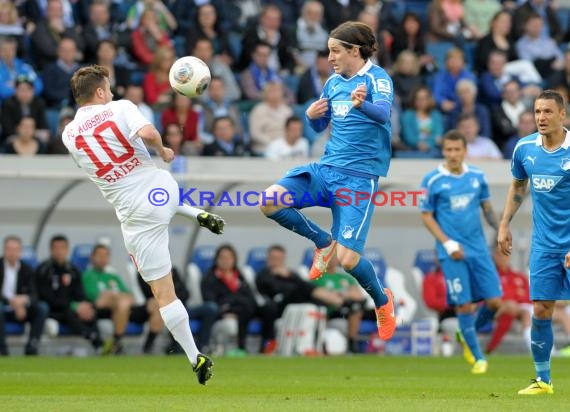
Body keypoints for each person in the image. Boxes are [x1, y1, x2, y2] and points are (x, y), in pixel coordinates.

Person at [61, 65, 225, 385]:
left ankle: (195, 357)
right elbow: (149, 134)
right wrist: (163, 151)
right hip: (160, 189)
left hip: (133, 215)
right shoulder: (120, 107)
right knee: (162, 199)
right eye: (108, 88)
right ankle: (195, 213)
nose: (111, 93)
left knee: (163, 294)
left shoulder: (68, 134)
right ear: (99, 92)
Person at [258, 21, 397, 342]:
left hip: (359, 179)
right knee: (268, 201)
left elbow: (384, 115)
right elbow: (322, 127)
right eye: (329, 50)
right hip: (326, 169)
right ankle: (322, 241)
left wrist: (365, 105)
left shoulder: (378, 79)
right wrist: (312, 116)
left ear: (354, 51)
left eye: (336, 50)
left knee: (348, 261)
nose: (330, 57)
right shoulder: (333, 83)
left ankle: (381, 300)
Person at [497, 89, 570, 395]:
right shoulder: (524, 148)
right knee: (541, 308)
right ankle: (543, 380)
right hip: (544, 245)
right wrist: (504, 223)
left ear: (562, 115)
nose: (541, 118)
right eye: (538, 112)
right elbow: (518, 185)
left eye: (548, 112)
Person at [420, 130, 502, 374]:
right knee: (464, 305)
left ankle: (466, 332)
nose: (453, 154)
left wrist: (500, 231)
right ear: (443, 151)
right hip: (451, 252)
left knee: (495, 302)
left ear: (465, 151)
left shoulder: (477, 176)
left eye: (457, 150)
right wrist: (447, 243)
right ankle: (478, 358)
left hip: (478, 249)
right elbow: (426, 216)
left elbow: (487, 207)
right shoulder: (432, 180)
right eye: (449, 150)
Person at [36, 235, 103, 352]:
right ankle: (91, 337)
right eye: (56, 248)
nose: (59, 252)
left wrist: (82, 306)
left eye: (62, 248)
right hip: (53, 310)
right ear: (51, 250)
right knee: (68, 312)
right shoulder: (44, 270)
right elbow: (45, 297)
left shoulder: (73, 270)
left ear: (67, 250)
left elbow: (80, 295)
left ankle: (99, 346)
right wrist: (74, 306)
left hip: (72, 309)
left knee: (89, 309)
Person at [0, 236, 49, 356]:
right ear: (4, 250)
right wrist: (11, 301)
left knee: (42, 308)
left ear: (20, 252)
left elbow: (34, 294)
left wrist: (23, 301)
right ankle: (3, 350)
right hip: (3, 307)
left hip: (21, 309)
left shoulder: (28, 270)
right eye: (9, 249)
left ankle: (32, 347)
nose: (12, 253)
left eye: (15, 249)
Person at [82, 244, 134, 355]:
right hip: (97, 310)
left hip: (118, 308)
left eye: (105, 255)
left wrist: (114, 296)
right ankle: (117, 342)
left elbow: (128, 296)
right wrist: (112, 296)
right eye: (99, 255)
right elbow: (95, 299)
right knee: (121, 302)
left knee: (125, 303)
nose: (102, 258)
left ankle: (117, 342)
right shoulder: (87, 276)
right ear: (92, 257)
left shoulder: (113, 276)